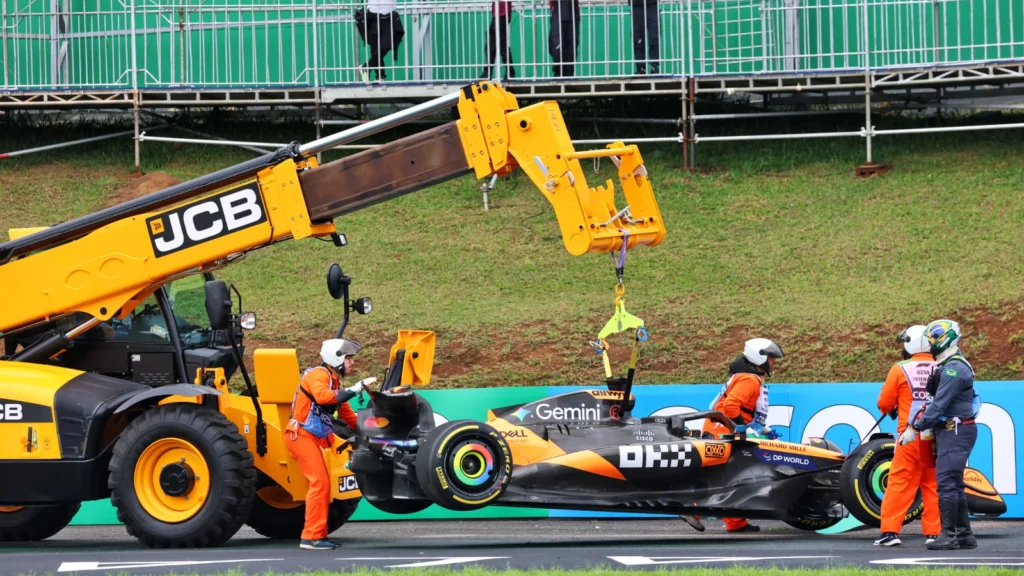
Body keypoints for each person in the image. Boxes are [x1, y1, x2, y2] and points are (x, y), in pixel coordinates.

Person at [286, 338, 375, 550]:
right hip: (301, 437)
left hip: (316, 437)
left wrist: (371, 430)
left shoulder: (334, 382)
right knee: (320, 483)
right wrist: (356, 388)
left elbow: (348, 416)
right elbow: (323, 397)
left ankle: (319, 535)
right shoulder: (319, 375)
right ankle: (310, 537)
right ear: (335, 359)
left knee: (325, 484)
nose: (352, 363)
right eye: (348, 358)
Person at [900, 319, 980, 550]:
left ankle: (948, 536)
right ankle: (964, 536)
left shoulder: (954, 369)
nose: (930, 342)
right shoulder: (949, 366)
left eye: (934, 337)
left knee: (946, 483)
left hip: (955, 430)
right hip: (951, 430)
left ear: (946, 339)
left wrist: (914, 428)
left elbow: (938, 406)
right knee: (953, 484)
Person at [700, 337, 785, 533]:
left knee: (729, 476)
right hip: (722, 431)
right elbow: (730, 407)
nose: (773, 362)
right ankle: (694, 511)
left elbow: (744, 410)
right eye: (771, 358)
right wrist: (742, 429)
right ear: (759, 358)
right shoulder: (749, 379)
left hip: (721, 428)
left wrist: (764, 430)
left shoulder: (752, 376)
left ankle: (736, 522)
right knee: (730, 475)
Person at [874, 325, 940, 546]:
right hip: (938, 436)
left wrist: (893, 406)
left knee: (899, 483)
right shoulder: (943, 366)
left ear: (911, 344)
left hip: (909, 436)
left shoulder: (900, 368)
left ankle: (890, 533)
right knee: (933, 485)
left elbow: (884, 403)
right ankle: (934, 533)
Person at [357, 0, 405, 81]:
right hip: (374, 16)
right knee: (376, 49)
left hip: (390, 16)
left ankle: (367, 67)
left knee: (387, 44)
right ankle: (380, 77)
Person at [480, 0, 516, 80]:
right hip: (499, 14)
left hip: (501, 14)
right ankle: (509, 72)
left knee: (494, 46)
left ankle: (489, 73)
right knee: (497, 46)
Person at [548, 0, 580, 78]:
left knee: (572, 45)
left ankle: (569, 74)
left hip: (572, 12)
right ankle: (559, 73)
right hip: (558, 12)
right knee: (557, 44)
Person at [631, 0, 659, 74]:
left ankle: (654, 66)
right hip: (636, 5)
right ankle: (641, 68)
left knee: (654, 36)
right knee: (638, 39)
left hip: (652, 5)